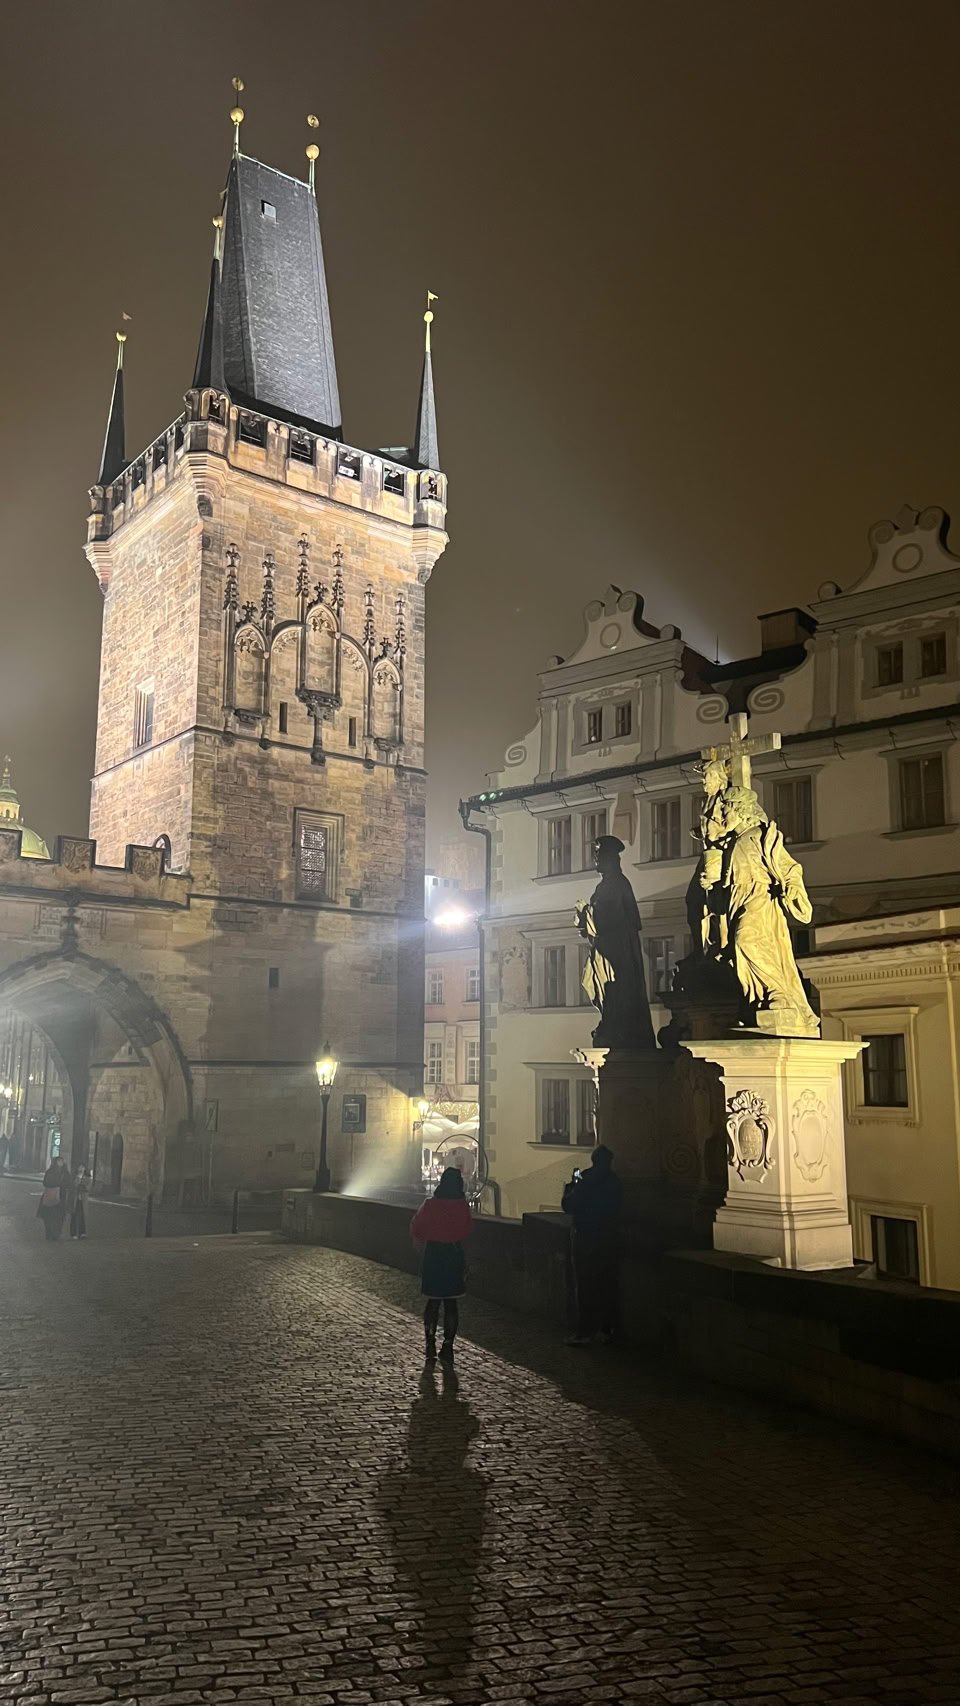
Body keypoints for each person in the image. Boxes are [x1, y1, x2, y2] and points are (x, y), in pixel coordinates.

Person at [576, 836, 656, 1049]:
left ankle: (617, 1027)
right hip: (607, 947)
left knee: (616, 987)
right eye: (596, 854)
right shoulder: (606, 885)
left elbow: (614, 919)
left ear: (611, 859)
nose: (595, 858)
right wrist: (585, 919)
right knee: (602, 986)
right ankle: (612, 1022)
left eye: (599, 854)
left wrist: (587, 915)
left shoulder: (617, 883)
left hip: (617, 949)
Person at [562, 1145, 624, 1345]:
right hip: (609, 1236)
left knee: (585, 1285)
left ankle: (585, 1331)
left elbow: (569, 1205)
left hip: (586, 1236)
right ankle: (608, 1329)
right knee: (608, 1285)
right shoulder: (615, 1181)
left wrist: (571, 1187)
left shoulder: (586, 1179)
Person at [410, 1166, 472, 1365]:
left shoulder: (430, 1205)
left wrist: (422, 1250)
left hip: (434, 1254)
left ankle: (430, 1342)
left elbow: (417, 1227)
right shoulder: (462, 1206)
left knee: (433, 1301)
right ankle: (448, 1345)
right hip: (453, 1255)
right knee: (451, 1303)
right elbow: (467, 1232)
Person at [37, 1156, 68, 1242]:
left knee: (59, 1218)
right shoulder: (49, 1172)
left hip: (61, 1198)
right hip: (50, 1196)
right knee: (48, 1217)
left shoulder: (65, 1173)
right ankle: (49, 1233)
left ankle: (56, 1234)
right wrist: (57, 1184)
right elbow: (45, 1183)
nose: (60, 1163)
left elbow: (69, 1183)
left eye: (62, 1161)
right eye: (59, 1161)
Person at [69, 1166, 89, 1239]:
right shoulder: (74, 1177)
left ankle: (82, 1232)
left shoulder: (87, 1178)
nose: (81, 1169)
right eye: (80, 1167)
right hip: (75, 1199)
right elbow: (73, 1186)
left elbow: (88, 1188)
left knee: (82, 1216)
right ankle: (73, 1233)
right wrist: (78, 1179)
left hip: (82, 1199)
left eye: (83, 1167)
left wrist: (83, 1184)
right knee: (74, 1215)